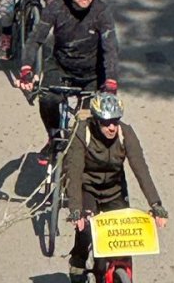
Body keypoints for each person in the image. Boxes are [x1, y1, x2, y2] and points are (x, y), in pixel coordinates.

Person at [64, 93, 168, 283]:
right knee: (86, 229)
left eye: (115, 121)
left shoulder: (125, 133)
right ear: (96, 120)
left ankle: (120, 273)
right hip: (88, 188)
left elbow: (141, 169)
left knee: (123, 236)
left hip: (115, 190)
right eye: (106, 122)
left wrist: (156, 204)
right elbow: (75, 173)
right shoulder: (81, 132)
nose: (112, 127)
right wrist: (76, 210)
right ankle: (78, 260)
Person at [19, 0, 120, 155]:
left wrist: (111, 81)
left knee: (89, 122)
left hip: (92, 74)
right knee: (47, 99)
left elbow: (111, 49)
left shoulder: (102, 12)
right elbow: (35, 39)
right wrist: (26, 69)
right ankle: (53, 137)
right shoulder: (56, 8)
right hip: (60, 67)